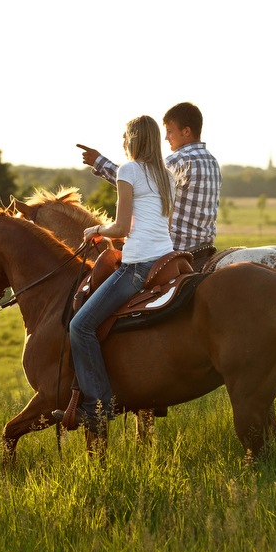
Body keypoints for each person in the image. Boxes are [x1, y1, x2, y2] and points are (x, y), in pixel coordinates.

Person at [53, 115, 175, 432]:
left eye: (125, 136)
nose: (123, 142)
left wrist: (95, 229)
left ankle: (98, 405)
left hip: (139, 266)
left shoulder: (129, 169)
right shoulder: (166, 174)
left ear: (133, 139)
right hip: (167, 258)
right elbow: (152, 223)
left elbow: (120, 227)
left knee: (80, 326)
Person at [77, 101, 221, 254]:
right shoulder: (212, 161)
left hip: (177, 245)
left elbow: (135, 179)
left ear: (186, 131)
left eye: (170, 131)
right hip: (205, 245)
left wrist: (99, 162)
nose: (166, 138)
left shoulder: (179, 161)